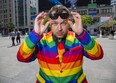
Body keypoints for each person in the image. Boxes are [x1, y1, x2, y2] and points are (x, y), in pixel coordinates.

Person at [17, 5, 104, 83]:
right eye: (55, 23)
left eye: (63, 23)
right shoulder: (41, 41)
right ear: (50, 23)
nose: (59, 28)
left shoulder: (79, 39)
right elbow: (22, 57)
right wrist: (35, 35)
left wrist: (82, 34)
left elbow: (98, 55)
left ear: (69, 22)